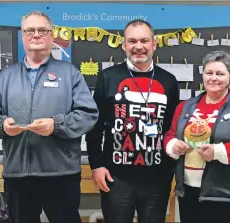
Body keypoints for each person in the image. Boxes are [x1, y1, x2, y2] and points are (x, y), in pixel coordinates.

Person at [0, 11, 98, 223]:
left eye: (42, 30)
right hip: (17, 175)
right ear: (22, 36)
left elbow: (88, 114)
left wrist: (57, 125)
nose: (36, 35)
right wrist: (2, 125)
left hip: (61, 174)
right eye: (30, 30)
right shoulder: (6, 77)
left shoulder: (70, 74)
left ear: (51, 36)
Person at [86, 19, 179, 223]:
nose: (139, 46)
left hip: (158, 177)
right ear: (124, 45)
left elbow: (172, 129)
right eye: (132, 41)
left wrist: (172, 168)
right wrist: (96, 165)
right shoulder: (108, 77)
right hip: (116, 177)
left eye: (144, 40)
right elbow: (95, 126)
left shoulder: (169, 81)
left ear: (154, 44)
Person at [164, 50, 230, 223]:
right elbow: (170, 134)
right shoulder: (185, 107)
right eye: (209, 73)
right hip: (188, 191)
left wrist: (218, 152)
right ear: (202, 75)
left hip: (225, 194)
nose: (213, 78)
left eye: (220, 73)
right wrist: (173, 145)